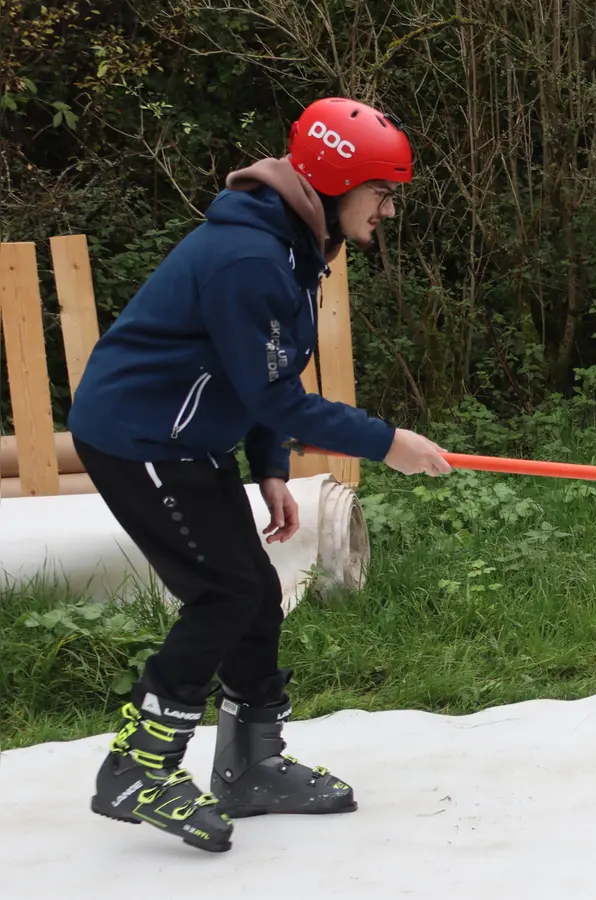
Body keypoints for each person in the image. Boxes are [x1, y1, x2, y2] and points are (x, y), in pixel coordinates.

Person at [67, 97, 452, 852]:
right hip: (139, 436)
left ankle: (250, 766)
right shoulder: (251, 258)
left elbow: (266, 373)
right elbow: (276, 394)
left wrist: (270, 465)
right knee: (226, 591)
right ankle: (138, 768)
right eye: (384, 193)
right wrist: (386, 442)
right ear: (342, 183)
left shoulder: (293, 244)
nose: (389, 210)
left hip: (186, 434)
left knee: (254, 592)